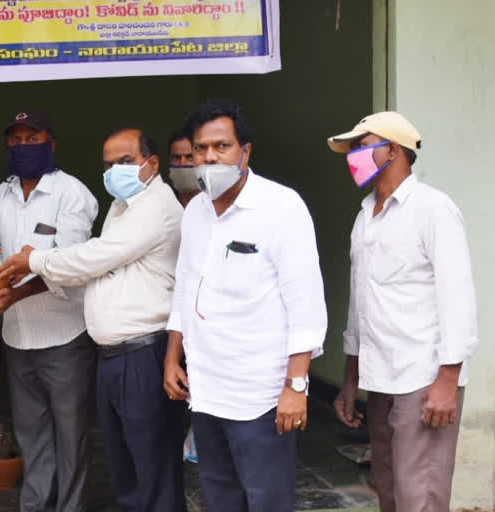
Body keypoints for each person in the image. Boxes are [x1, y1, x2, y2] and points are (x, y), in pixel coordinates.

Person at [0, 127, 186, 512]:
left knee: (152, 463)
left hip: (144, 353)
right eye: (109, 164)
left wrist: (34, 260)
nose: (115, 170)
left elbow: (96, 257)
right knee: (125, 463)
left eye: (125, 162)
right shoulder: (122, 206)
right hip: (112, 354)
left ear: (151, 164)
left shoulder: (158, 207)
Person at [164, 100, 328, 511]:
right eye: (201, 149)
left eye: (222, 146)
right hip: (207, 388)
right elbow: (186, 286)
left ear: (245, 152)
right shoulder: (196, 212)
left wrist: (297, 385)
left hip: (262, 394)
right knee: (220, 495)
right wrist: (172, 357)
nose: (209, 157)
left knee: (266, 499)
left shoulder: (281, 207)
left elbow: (305, 302)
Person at [328, 112, 479, 512]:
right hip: (381, 379)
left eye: (361, 146)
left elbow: (457, 297)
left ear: (393, 150)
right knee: (390, 492)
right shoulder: (365, 217)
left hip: (423, 379)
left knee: (421, 497)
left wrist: (448, 379)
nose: (353, 156)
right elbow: (359, 306)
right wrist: (350, 379)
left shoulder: (434, 209)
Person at [0, 111, 99, 512]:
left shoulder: (72, 194)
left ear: (51, 143)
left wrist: (14, 296)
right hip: (17, 335)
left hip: (65, 335)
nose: (23, 146)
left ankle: (70, 507)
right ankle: (36, 505)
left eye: (32, 138)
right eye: (15, 140)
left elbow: (71, 267)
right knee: (31, 433)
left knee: (71, 434)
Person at [167, 129, 199, 207]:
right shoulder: (164, 203)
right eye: (176, 157)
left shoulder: (217, 204)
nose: (182, 163)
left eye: (190, 157)